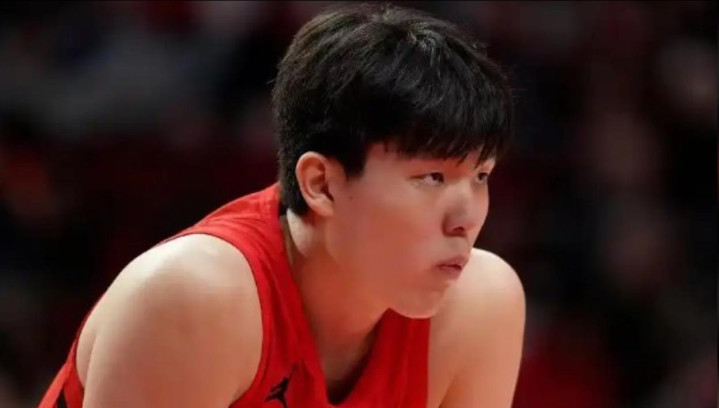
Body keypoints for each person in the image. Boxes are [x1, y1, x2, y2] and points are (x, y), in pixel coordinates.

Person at [38, 3, 525, 407]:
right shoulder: (192, 299)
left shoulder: (480, 306)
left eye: (480, 176)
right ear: (321, 184)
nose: (466, 219)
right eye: (432, 177)